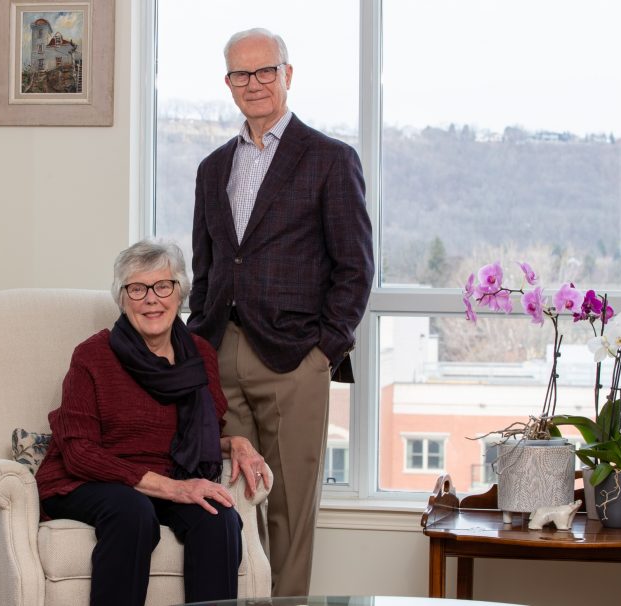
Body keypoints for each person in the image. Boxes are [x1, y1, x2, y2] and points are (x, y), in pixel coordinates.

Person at [188, 28, 374, 596]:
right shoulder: (212, 168)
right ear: (228, 84)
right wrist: (201, 344)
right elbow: (206, 268)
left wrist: (324, 351)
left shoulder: (330, 160)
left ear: (288, 75)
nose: (255, 84)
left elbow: (356, 268)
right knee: (236, 507)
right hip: (223, 354)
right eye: (242, 75)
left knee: (290, 510)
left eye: (266, 71)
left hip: (296, 360)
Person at [36, 239, 269, 606]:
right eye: (137, 288)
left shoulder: (201, 355)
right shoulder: (92, 356)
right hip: (88, 481)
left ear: (180, 294)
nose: (151, 298)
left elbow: (197, 432)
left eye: (163, 286)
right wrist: (173, 489)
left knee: (219, 517)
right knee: (133, 511)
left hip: (167, 475)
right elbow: (79, 452)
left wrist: (233, 442)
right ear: (122, 298)